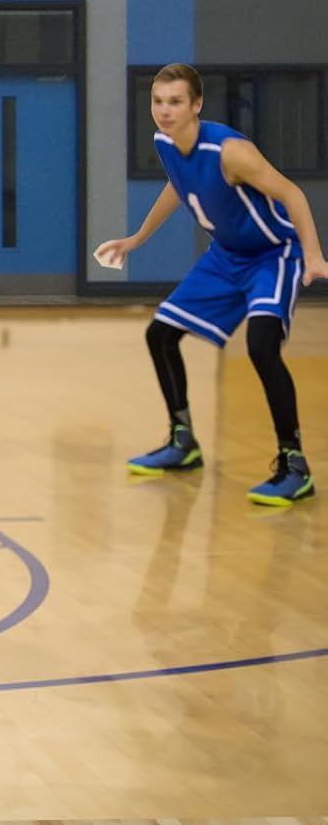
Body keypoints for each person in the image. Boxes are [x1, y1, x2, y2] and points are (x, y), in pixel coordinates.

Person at [95, 62, 323, 505]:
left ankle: (295, 464)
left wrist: (313, 256)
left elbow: (293, 194)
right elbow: (178, 186)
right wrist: (137, 238)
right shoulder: (165, 141)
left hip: (273, 255)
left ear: (196, 104)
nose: (165, 110)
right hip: (226, 257)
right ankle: (183, 441)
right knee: (160, 335)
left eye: (175, 102)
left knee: (261, 347)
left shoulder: (231, 152)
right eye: (158, 102)